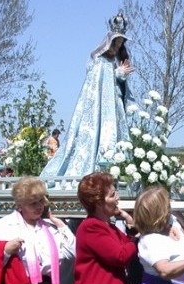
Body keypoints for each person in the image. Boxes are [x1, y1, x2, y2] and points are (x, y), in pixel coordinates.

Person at [41, 13, 135, 178]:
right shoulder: (99, 61)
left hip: (114, 108)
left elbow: (117, 85)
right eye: (116, 43)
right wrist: (118, 74)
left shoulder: (114, 62)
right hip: (100, 111)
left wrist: (121, 76)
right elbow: (99, 84)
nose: (117, 47)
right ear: (109, 42)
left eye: (120, 44)